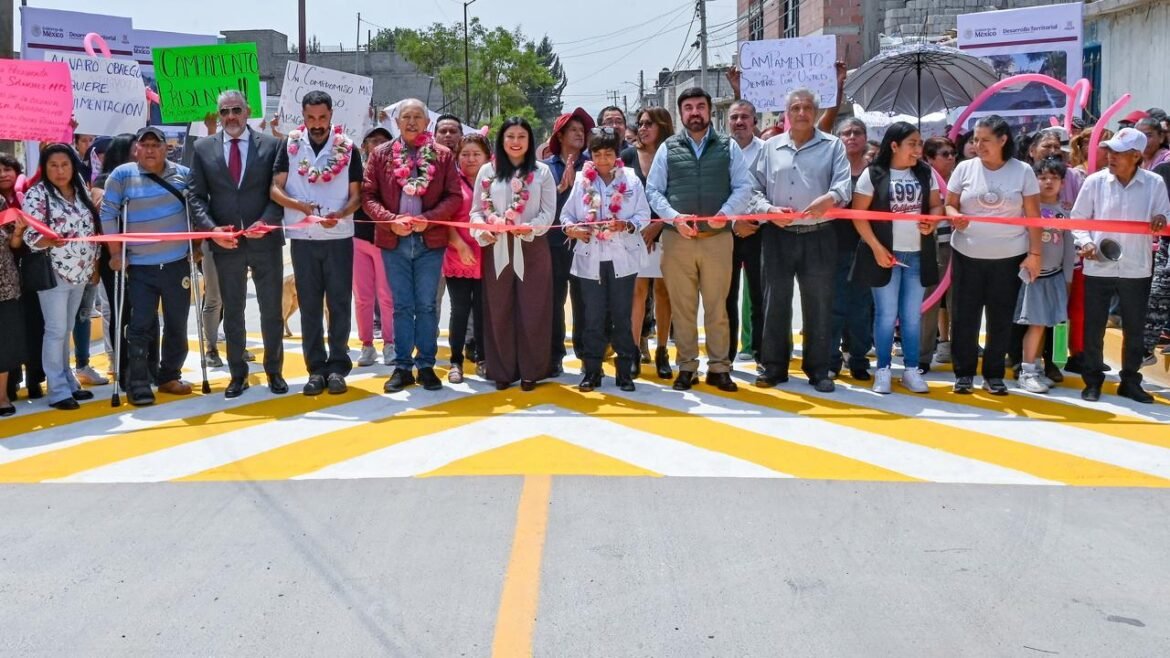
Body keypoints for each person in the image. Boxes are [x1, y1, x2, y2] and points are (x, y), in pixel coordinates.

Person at [646, 87, 754, 392]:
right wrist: (673, 218)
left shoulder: (728, 147)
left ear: (709, 111)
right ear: (681, 114)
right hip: (677, 239)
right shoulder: (668, 148)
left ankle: (719, 368)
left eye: (700, 107)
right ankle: (687, 367)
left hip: (718, 238)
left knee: (718, 307)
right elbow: (654, 190)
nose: (695, 112)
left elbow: (743, 187)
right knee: (683, 308)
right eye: (689, 107)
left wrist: (726, 213)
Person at [749, 88, 852, 392]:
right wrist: (768, 210)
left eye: (808, 107)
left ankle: (819, 370)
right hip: (777, 235)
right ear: (786, 113)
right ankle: (773, 367)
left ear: (817, 113)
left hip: (820, 234)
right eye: (795, 108)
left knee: (819, 304)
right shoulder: (770, 148)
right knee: (774, 303)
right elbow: (752, 189)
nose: (802, 113)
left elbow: (844, 186)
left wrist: (830, 198)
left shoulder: (833, 146)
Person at [188, 90, 289, 398]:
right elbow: (194, 196)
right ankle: (238, 375)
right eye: (224, 111)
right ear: (219, 116)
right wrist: (213, 230)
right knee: (232, 310)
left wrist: (267, 222)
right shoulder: (203, 148)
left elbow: (280, 191)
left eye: (236, 110)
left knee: (271, 310)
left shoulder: (273, 146)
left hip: (265, 242)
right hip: (225, 244)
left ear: (247, 112)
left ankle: (274, 371)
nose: (230, 116)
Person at [363, 98, 462, 393]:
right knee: (401, 305)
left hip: (430, 241)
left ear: (427, 122)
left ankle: (427, 365)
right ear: (396, 122)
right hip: (394, 241)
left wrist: (428, 219)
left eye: (418, 117)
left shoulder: (442, 155)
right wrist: (389, 220)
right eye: (406, 116)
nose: (411, 122)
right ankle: (403, 366)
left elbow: (454, 197)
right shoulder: (380, 154)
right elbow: (368, 197)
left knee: (428, 304)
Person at [271, 91, 364, 396]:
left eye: (322, 117)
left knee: (338, 304)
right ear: (303, 115)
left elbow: (356, 196)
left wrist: (342, 213)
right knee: (309, 304)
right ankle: (316, 369)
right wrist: (298, 205)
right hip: (303, 237)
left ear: (331, 115)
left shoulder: (349, 148)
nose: (317, 124)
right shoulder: (291, 144)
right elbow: (275, 189)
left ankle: (338, 366)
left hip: (338, 237)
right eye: (311, 118)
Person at [945, 115, 1043, 396]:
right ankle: (963, 373)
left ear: (1003, 140)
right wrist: (955, 217)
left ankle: (993, 374)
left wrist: (1035, 254)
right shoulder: (964, 168)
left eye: (985, 140)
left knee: (1000, 318)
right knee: (964, 317)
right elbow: (948, 205)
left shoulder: (1022, 171)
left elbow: (1033, 216)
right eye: (975, 139)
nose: (978, 145)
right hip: (967, 253)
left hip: (1010, 256)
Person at [1072, 128, 1170, 404]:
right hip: (1098, 266)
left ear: (1136, 156)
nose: (1110, 156)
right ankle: (1092, 381)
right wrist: (1085, 243)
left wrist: (1161, 218)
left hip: (1136, 267)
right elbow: (1078, 220)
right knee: (1093, 327)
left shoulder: (1154, 183)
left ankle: (1130, 380)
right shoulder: (1094, 182)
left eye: (1118, 152)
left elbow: (1165, 215)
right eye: (1110, 151)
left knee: (1135, 328)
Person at [100, 127, 195, 406]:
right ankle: (138, 382)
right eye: (145, 145)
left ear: (167, 148)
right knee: (140, 325)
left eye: (156, 144)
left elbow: (197, 209)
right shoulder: (122, 175)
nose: (150, 150)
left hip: (177, 262)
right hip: (140, 266)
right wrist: (115, 253)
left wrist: (198, 248)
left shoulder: (183, 174)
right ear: (136, 149)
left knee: (177, 323)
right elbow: (108, 213)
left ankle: (169, 375)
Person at [850, 122, 941, 394]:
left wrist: (932, 220)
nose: (918, 149)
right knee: (886, 315)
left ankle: (911, 370)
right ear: (894, 145)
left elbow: (936, 204)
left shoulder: (926, 173)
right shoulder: (874, 174)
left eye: (919, 143)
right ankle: (883, 370)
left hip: (917, 254)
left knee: (912, 316)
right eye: (912, 143)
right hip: (884, 255)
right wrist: (877, 248)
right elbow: (859, 214)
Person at [470, 117, 557, 391]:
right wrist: (484, 231)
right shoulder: (488, 171)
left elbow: (548, 212)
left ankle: (532, 370)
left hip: (531, 246)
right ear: (501, 140)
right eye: (510, 137)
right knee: (498, 309)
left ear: (529, 141)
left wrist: (529, 228)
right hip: (497, 248)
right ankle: (502, 369)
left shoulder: (541, 172)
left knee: (534, 309)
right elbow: (476, 211)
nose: (516, 142)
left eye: (521, 136)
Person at [562, 127, 651, 391]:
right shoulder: (581, 181)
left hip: (622, 258)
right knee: (593, 316)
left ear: (617, 154)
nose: (602, 160)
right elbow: (566, 216)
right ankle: (592, 371)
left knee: (622, 315)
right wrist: (573, 229)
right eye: (597, 154)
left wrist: (626, 225)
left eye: (608, 154)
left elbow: (644, 215)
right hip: (590, 257)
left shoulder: (631, 180)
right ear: (590, 154)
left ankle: (624, 371)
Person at [21, 145, 101, 410]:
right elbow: (29, 235)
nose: (60, 171)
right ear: (44, 167)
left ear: (73, 166)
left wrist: (94, 265)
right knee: (55, 330)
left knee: (66, 329)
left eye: (64, 164)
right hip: (53, 272)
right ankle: (57, 390)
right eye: (53, 165)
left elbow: (93, 231)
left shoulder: (81, 192)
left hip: (80, 271)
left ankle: (68, 381)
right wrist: (47, 240)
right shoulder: (37, 193)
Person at [1014, 158, 1076, 394]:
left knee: (1046, 323)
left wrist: (1067, 280)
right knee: (1036, 324)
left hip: (1055, 276)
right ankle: (1027, 370)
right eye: (1043, 177)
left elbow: (1069, 250)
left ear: (1062, 182)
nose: (1048, 182)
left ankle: (1036, 367)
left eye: (1054, 178)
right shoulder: (1028, 209)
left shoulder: (1066, 212)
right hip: (1033, 277)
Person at [622, 107, 675, 380]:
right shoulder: (628, 156)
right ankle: (632, 351)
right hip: (636, 234)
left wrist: (660, 225)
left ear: (663, 126)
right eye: (640, 123)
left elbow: (678, 196)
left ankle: (663, 351)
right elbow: (620, 195)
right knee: (637, 291)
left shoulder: (675, 155)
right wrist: (642, 227)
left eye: (648, 124)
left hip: (667, 232)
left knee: (664, 292)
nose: (642, 128)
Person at [544, 107, 594, 377]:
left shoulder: (592, 165)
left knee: (585, 301)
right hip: (553, 244)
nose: (579, 134)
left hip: (586, 243)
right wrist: (561, 188)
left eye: (582, 131)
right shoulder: (545, 168)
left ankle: (586, 355)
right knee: (554, 301)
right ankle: (554, 355)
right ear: (560, 135)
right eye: (573, 130)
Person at [829, 117, 874, 381]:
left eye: (857, 132)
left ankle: (858, 359)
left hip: (865, 248)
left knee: (861, 308)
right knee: (834, 307)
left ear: (865, 137)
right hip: (834, 247)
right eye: (846, 133)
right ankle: (832, 359)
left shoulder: (875, 172)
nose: (852, 137)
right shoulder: (831, 171)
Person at [444, 133, 491, 383]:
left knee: (485, 309)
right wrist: (459, 244)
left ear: (487, 156)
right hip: (457, 253)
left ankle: (484, 357)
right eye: (465, 154)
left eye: (476, 154)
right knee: (459, 310)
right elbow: (445, 218)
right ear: (457, 157)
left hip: (488, 253)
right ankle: (455, 361)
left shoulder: (495, 181)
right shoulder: (451, 181)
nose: (471, 159)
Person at [351, 126, 396, 369]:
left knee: (387, 296)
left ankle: (390, 344)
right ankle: (366, 345)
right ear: (364, 146)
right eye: (372, 141)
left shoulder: (397, 171)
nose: (377, 145)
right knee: (362, 297)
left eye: (383, 141)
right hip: (358, 239)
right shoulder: (354, 170)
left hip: (386, 240)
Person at [725, 100, 765, 369]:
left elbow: (770, 189)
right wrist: (732, 223)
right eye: (734, 117)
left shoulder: (767, 151)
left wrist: (755, 220)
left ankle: (763, 356)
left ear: (755, 122)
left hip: (759, 232)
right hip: (726, 233)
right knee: (725, 297)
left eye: (745, 117)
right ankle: (724, 358)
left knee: (760, 297)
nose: (739, 121)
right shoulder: (719, 151)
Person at [1, 154, 42, 402]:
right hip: (8, 276)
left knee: (33, 325)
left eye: (8, 169)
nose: (4, 174)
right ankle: (10, 385)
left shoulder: (26, 193)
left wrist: (45, 145)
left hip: (27, 270)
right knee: (10, 332)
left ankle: (35, 380)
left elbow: (39, 174)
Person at [920, 136, 958, 368]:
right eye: (945, 154)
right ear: (930, 158)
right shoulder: (922, 180)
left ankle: (960, 355)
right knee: (929, 304)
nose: (951, 157)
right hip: (931, 248)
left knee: (959, 305)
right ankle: (922, 358)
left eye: (953, 153)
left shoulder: (960, 179)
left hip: (958, 248)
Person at [0, 203, 23, 416]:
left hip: (4, 285)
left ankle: (2, 397)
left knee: (4, 343)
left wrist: (18, 231)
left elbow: (14, 244)